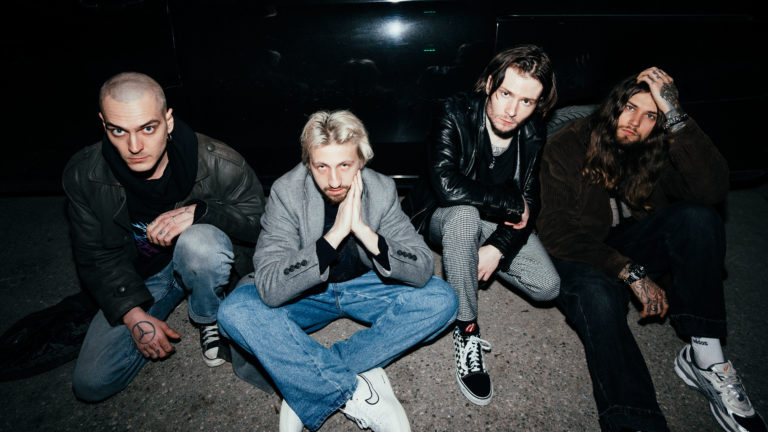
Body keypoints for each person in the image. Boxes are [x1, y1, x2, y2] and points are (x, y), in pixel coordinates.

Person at [538, 67, 767, 432]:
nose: (635, 122)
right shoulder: (569, 143)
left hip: (631, 242)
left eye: (650, 116)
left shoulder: (654, 148)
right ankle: (636, 422)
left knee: (697, 218)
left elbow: (712, 191)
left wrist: (675, 115)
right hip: (580, 251)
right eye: (630, 108)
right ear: (613, 106)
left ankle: (705, 356)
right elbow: (556, 230)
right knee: (598, 298)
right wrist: (629, 271)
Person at [218, 110, 458, 431]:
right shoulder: (286, 191)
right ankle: (351, 389)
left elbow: (422, 267)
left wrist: (364, 232)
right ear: (308, 164)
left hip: (365, 286)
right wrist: (333, 238)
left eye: (345, 165)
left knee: (442, 300)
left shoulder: (381, 189)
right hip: (306, 294)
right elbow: (271, 288)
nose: (333, 181)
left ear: (362, 160)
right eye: (322, 167)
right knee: (236, 311)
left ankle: (307, 378)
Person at [63, 72, 265, 402]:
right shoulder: (84, 174)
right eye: (118, 130)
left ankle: (209, 314)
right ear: (103, 125)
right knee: (92, 383)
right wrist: (132, 313)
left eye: (148, 128)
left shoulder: (218, 161)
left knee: (201, 244)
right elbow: (94, 253)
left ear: (168, 121)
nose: (134, 146)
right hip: (144, 277)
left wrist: (204, 212)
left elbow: (260, 225)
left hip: (206, 260)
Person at [401, 44, 560, 406]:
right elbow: (447, 185)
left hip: (491, 222)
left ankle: (465, 259)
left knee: (547, 286)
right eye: (505, 94)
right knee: (464, 216)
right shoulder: (453, 112)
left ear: (538, 105)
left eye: (526, 101)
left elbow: (531, 200)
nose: (512, 110)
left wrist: (498, 248)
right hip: (441, 214)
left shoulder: (533, 131)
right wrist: (510, 203)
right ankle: (466, 327)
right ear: (489, 84)